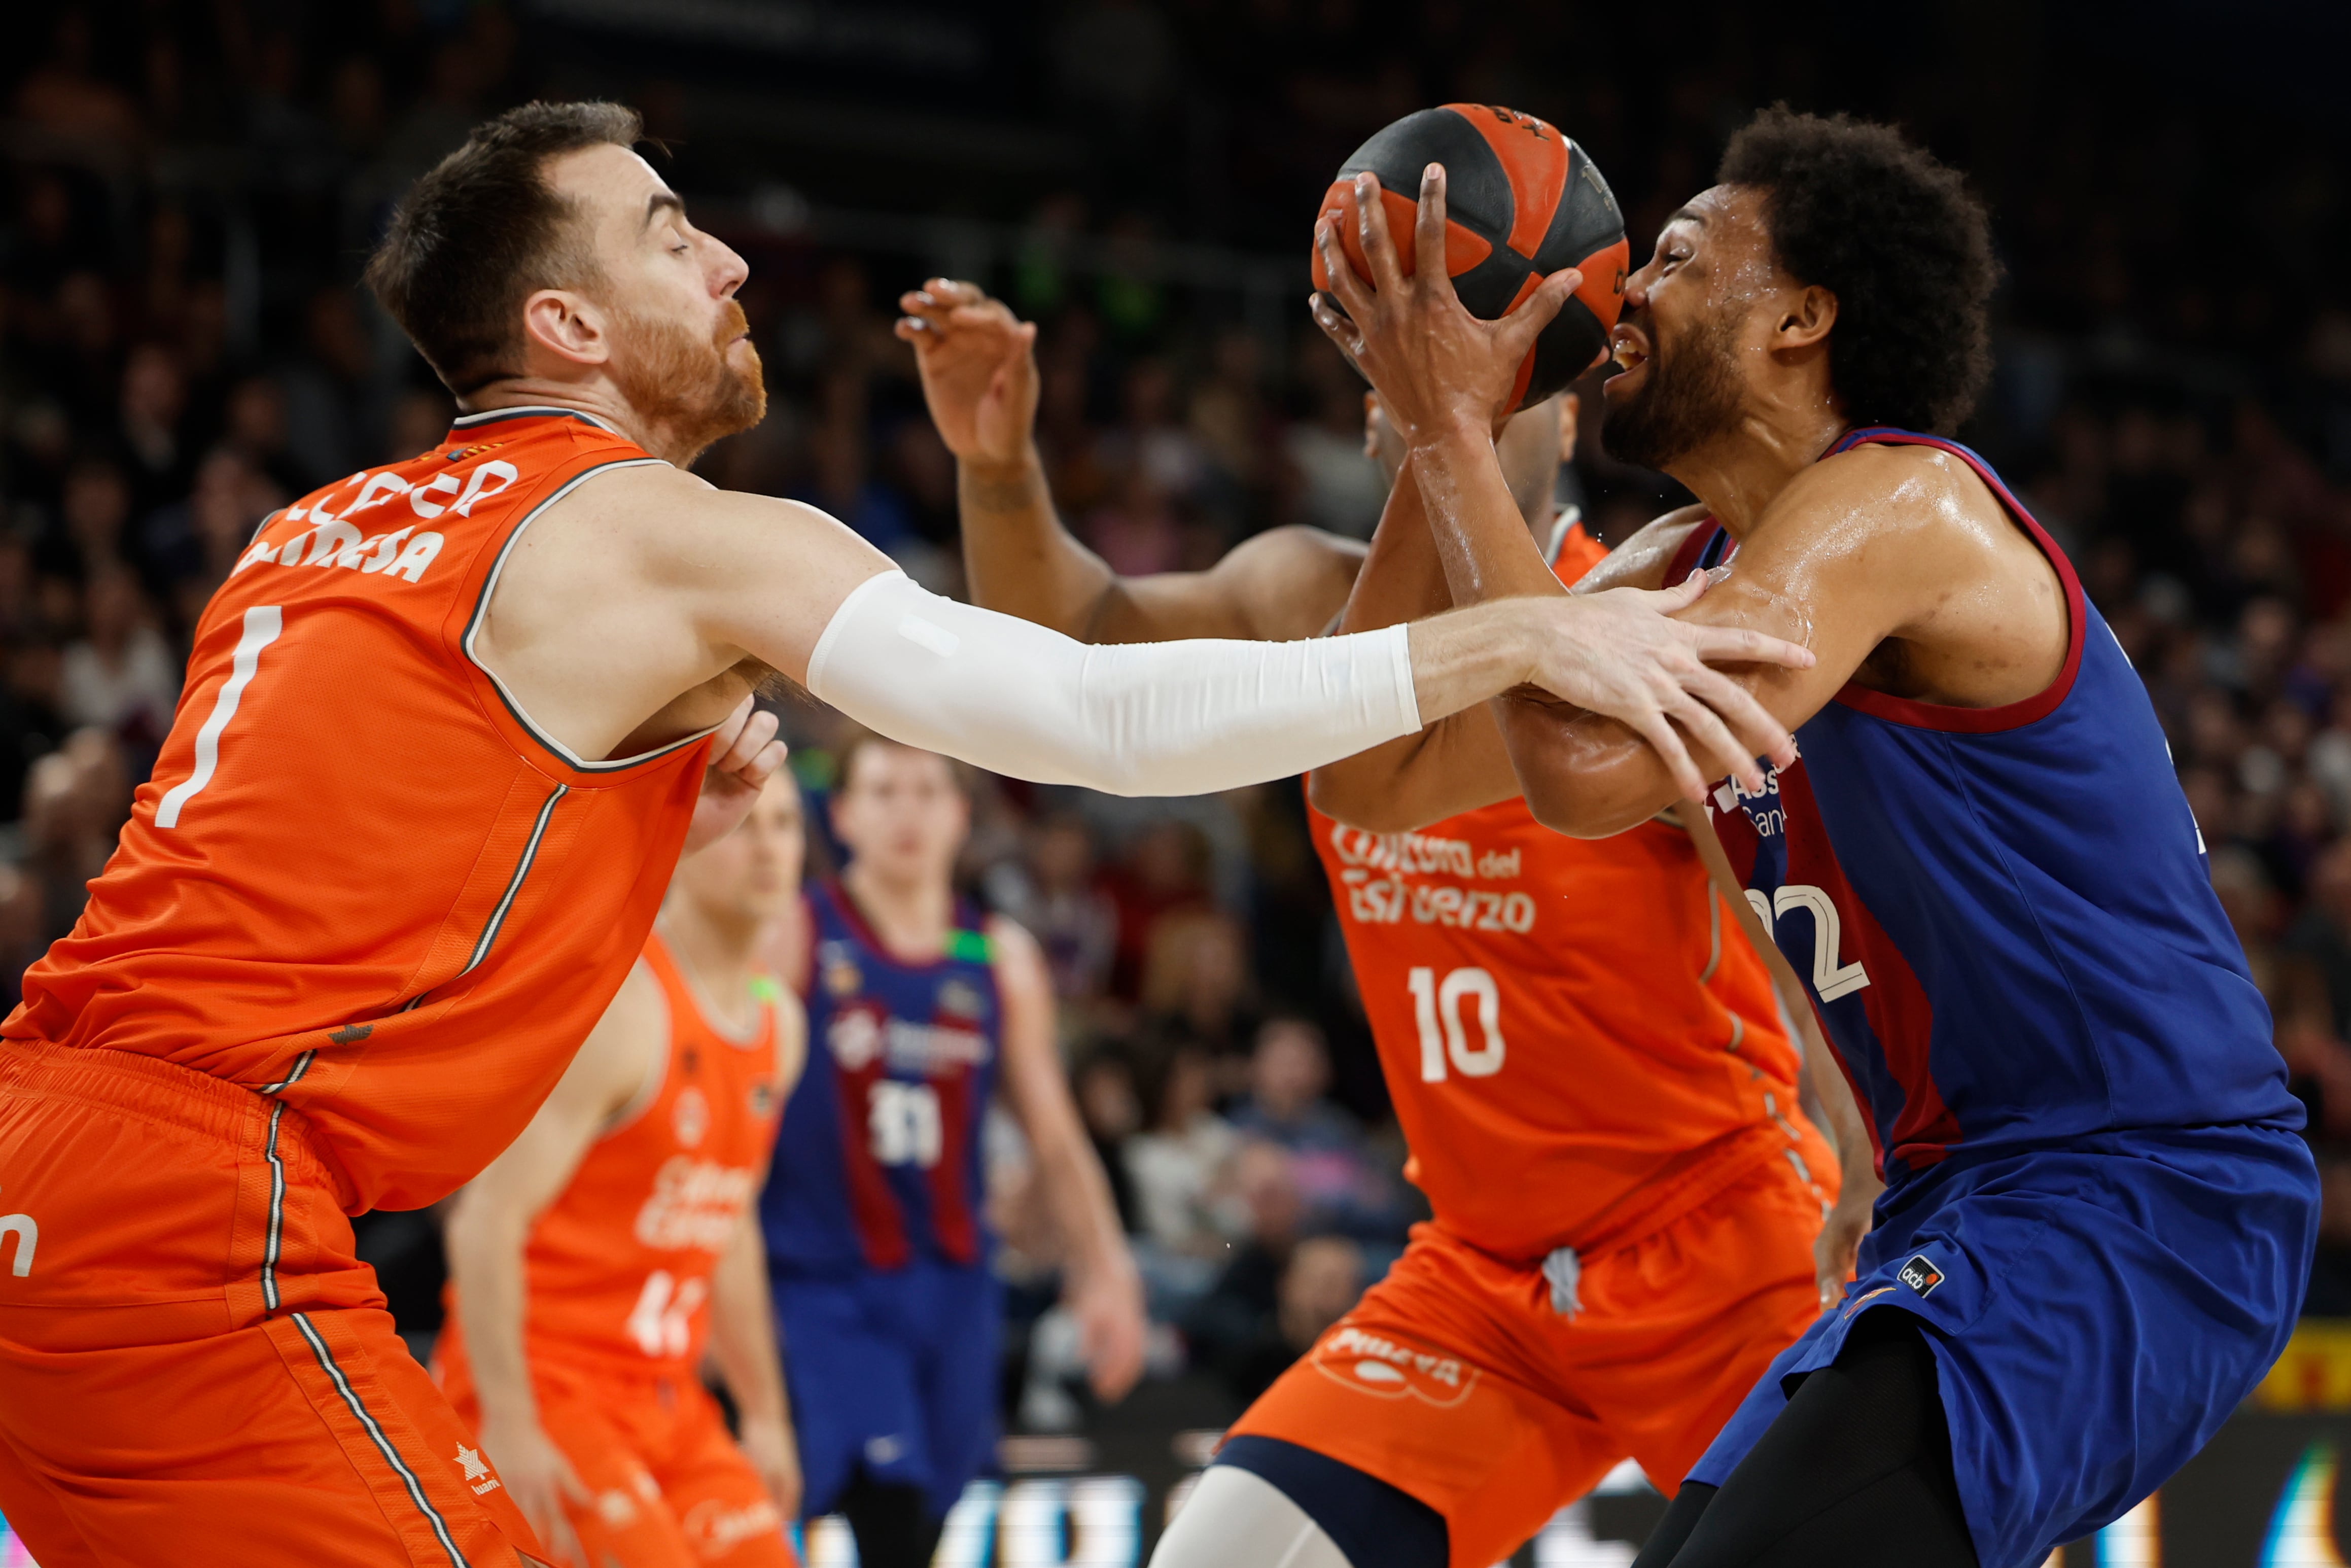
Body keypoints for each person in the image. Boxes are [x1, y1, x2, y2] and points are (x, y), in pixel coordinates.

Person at [0, 101, 1813, 1565]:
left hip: (45, 1139)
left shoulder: (315, 530)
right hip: (199, 1209)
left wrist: (631, 803)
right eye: (669, 235)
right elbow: (1092, 705)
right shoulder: (666, 532)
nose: (731, 260)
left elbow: (359, 838)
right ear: (567, 326)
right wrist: (1513, 638)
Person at [1309, 107, 2321, 1568]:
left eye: (1673, 256)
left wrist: (1453, 427)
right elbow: (1370, 774)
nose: (1623, 288)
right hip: (1958, 1196)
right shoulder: (1684, 570)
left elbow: (1583, 769)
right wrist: (1430, 439)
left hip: (2145, 1189)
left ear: (1799, 318)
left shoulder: (1904, 506)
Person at [898, 275, 1880, 1568]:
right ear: (1379, 421)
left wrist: (1869, 1154)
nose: (1454, 404)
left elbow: (1796, 927)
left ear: (1564, 419)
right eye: (1418, 385)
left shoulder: (1634, 629)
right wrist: (997, 467)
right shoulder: (1305, 601)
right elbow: (1070, 644)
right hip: (1481, 1280)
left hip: (1715, 1243)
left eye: (1499, 387)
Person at [759, 730, 1145, 1568]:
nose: (908, 813)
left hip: (956, 1285)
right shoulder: (799, 933)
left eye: (928, 792)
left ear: (963, 816)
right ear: (845, 816)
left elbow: (1055, 1135)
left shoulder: (997, 956)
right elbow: (736, 1101)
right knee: (887, 1507)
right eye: (885, 791)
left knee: (931, 1519)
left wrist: (1106, 1268)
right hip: (826, 1280)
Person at [437, 770, 809, 1568]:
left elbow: (729, 1224)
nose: (770, 848)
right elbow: (485, 1221)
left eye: (786, 825)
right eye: (746, 824)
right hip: (546, 1382)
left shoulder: (782, 1024)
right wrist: (509, 1422)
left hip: (667, 1396)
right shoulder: (627, 1007)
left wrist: (766, 1415)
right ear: (682, 839)